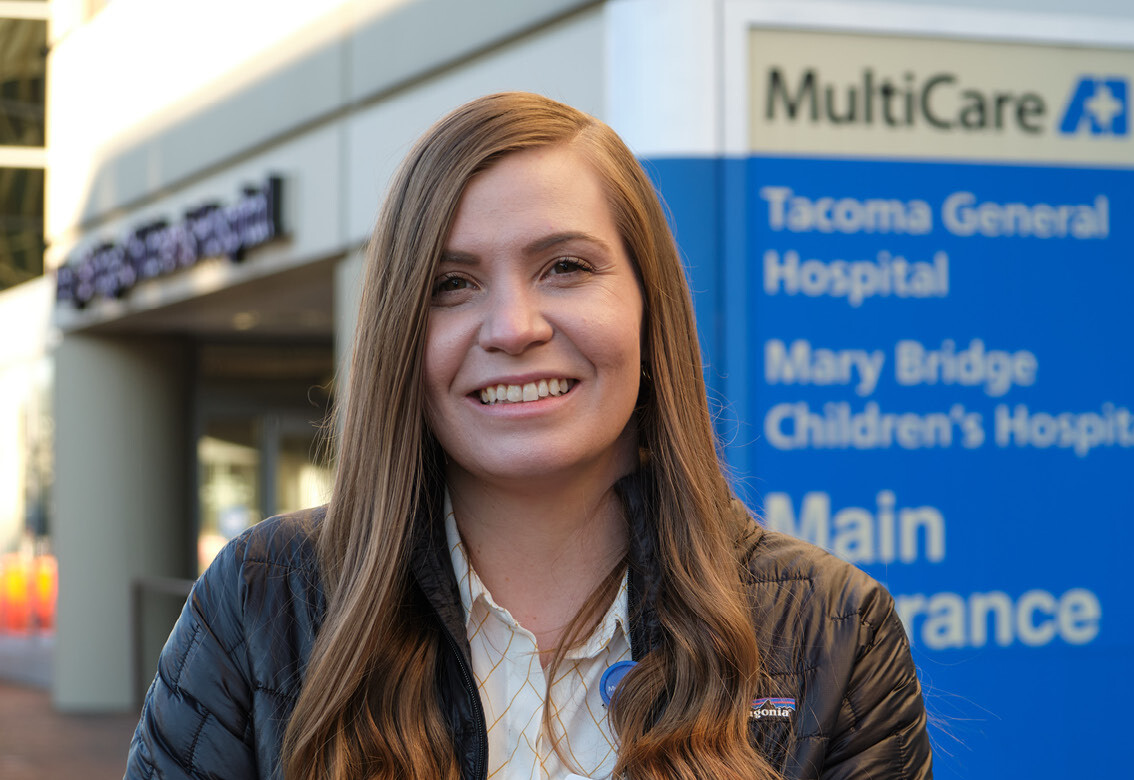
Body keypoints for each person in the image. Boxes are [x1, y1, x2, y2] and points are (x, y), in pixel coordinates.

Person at [126, 92, 934, 780]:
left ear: (651, 310)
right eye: (452, 284)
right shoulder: (261, 599)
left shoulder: (832, 627)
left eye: (567, 268)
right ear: (399, 333)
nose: (512, 327)